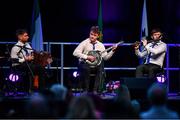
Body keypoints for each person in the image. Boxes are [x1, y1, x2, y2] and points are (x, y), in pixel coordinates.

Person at [73, 26, 118, 94]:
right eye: (91, 34)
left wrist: (112, 51)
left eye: (94, 35)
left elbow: (105, 58)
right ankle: (85, 90)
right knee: (86, 68)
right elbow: (75, 53)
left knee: (100, 68)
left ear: (98, 36)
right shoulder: (85, 42)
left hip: (95, 66)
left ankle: (95, 91)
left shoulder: (100, 45)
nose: (92, 36)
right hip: (85, 64)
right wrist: (87, 57)